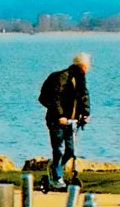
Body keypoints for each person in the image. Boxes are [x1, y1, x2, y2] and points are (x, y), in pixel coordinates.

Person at [38, 53, 91, 191]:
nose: (88, 68)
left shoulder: (81, 79)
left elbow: (84, 96)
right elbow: (56, 98)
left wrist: (85, 114)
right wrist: (60, 115)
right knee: (59, 149)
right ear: (81, 65)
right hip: (57, 121)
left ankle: (56, 167)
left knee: (71, 150)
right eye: (86, 65)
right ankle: (56, 175)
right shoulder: (62, 78)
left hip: (72, 121)